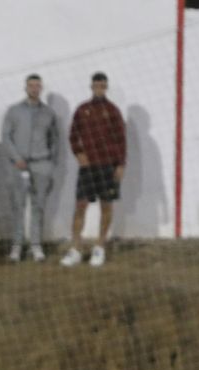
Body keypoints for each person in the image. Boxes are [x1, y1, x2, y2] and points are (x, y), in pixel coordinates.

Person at [63, 73, 127, 268]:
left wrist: (121, 164)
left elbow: (121, 140)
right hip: (88, 167)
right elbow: (73, 135)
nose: (99, 88)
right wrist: (78, 153)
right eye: (96, 85)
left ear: (106, 87)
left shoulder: (113, 111)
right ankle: (75, 248)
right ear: (91, 86)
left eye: (102, 85)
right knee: (80, 206)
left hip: (108, 166)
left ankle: (99, 247)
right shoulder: (82, 110)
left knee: (106, 206)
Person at [2, 75, 60, 263]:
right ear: (25, 88)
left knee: (38, 206)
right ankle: (17, 246)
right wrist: (16, 158)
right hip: (19, 166)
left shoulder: (49, 113)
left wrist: (51, 163)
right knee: (18, 206)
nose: (34, 89)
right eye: (31, 86)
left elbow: (55, 140)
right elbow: (6, 137)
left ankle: (36, 245)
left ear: (41, 88)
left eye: (37, 86)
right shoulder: (14, 111)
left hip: (41, 164)